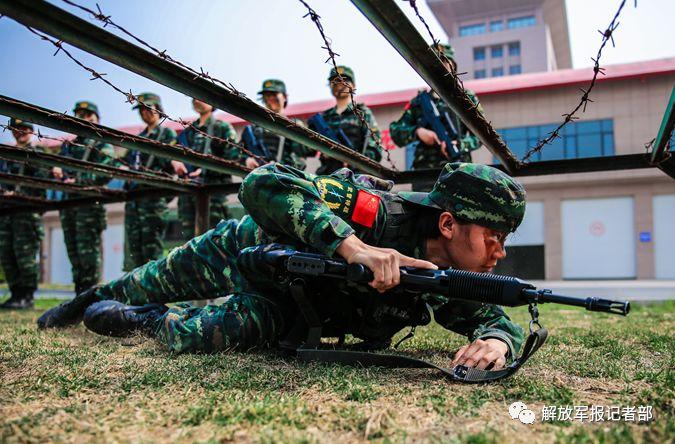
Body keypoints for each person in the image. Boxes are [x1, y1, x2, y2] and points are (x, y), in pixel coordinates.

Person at [38, 162, 526, 371]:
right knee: (141, 282)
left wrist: (496, 340)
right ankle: (86, 301)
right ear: (446, 224)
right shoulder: (371, 211)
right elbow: (264, 183)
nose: (498, 253)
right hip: (244, 250)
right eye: (494, 238)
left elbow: (493, 317)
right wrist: (354, 248)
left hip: (286, 306)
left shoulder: (444, 282)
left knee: (199, 337)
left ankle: (138, 320)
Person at [390, 44, 481, 190]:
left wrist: (460, 144)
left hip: (459, 172)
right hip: (426, 175)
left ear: (453, 67)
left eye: (445, 62)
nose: (441, 68)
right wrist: (418, 132)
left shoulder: (466, 98)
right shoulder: (420, 102)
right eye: (436, 63)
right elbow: (396, 131)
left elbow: (481, 135)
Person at [52, 101, 117, 295]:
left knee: (89, 252)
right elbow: (59, 167)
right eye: (81, 115)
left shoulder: (102, 143)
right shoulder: (70, 145)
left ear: (97, 118)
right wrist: (57, 171)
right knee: (73, 251)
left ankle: (90, 294)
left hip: (89, 204)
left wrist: (76, 179)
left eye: (89, 115)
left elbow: (106, 171)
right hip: (69, 204)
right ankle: (78, 293)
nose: (85, 118)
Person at [123, 93, 180, 270]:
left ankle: (153, 293)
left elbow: (169, 162)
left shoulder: (165, 133)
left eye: (147, 108)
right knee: (135, 248)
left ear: (158, 109)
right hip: (135, 198)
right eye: (140, 109)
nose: (144, 113)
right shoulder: (139, 137)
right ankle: (137, 292)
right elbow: (127, 162)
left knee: (152, 248)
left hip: (154, 198)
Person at [175, 98, 238, 240]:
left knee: (214, 240)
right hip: (188, 194)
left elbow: (233, 157)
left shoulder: (221, 128)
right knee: (189, 242)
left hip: (212, 193)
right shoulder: (188, 132)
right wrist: (176, 162)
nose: (198, 101)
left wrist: (206, 170)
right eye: (195, 98)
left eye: (203, 98)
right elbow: (173, 152)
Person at [0, 119, 46, 309]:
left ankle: (27, 296)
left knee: (25, 255)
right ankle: (15, 294)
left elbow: (42, 182)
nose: (19, 132)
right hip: (7, 213)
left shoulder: (38, 154)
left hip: (27, 213)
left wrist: (19, 194)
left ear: (31, 130)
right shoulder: (7, 156)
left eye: (24, 128)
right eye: (15, 129)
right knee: (7, 254)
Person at [309, 66, 382, 175]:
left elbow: (374, 147)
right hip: (328, 174)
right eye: (335, 81)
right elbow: (308, 149)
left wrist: (355, 160)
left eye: (344, 80)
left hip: (356, 175)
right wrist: (324, 149)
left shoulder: (362, 112)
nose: (339, 84)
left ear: (353, 85)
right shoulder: (324, 117)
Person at [241, 79, 315, 171]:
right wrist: (246, 160)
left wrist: (279, 167)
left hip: (288, 179)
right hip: (259, 180)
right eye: (267, 95)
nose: (270, 98)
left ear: (284, 97)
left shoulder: (294, 125)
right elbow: (237, 152)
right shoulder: (252, 130)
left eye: (274, 94)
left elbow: (303, 155)